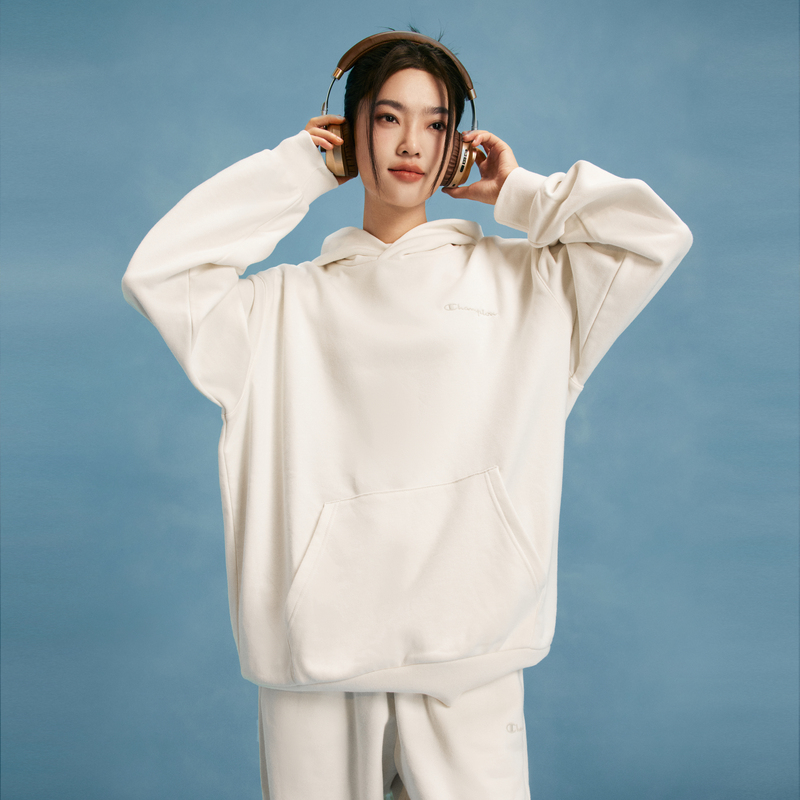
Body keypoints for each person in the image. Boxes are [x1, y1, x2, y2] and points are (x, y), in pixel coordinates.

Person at [122, 30, 692, 800]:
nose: (411, 144)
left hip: (473, 663)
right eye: (389, 118)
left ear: (457, 145)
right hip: (315, 669)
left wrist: (521, 193)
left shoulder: (530, 288)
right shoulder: (278, 308)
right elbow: (159, 273)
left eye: (435, 123)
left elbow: (654, 235)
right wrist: (296, 171)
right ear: (349, 129)